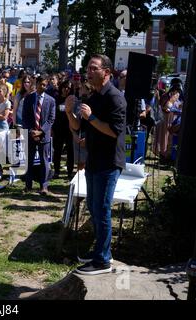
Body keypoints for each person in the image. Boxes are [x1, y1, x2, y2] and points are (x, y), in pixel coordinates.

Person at [65, 54, 126, 275]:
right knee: (93, 207)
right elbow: (77, 129)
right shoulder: (93, 96)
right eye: (88, 68)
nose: (88, 72)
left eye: (94, 68)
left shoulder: (115, 97)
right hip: (93, 160)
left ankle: (102, 261)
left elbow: (114, 131)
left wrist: (91, 118)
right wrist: (70, 111)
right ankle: (101, 251)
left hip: (109, 163)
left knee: (102, 209)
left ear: (107, 72)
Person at [22, 76, 56, 196]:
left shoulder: (51, 100)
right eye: (41, 84)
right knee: (29, 160)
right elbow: (24, 117)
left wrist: (41, 131)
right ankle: (28, 185)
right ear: (36, 84)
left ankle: (44, 186)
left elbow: (51, 119)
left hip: (43, 136)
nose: (43, 87)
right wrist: (31, 131)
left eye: (45, 85)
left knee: (44, 161)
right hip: (31, 134)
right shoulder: (28, 98)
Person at [52, 79, 74, 179]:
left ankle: (70, 172)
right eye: (65, 87)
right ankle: (56, 171)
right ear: (61, 88)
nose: (66, 89)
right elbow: (52, 115)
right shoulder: (56, 99)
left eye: (69, 88)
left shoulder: (73, 99)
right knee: (57, 151)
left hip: (70, 129)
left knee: (70, 151)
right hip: (58, 129)